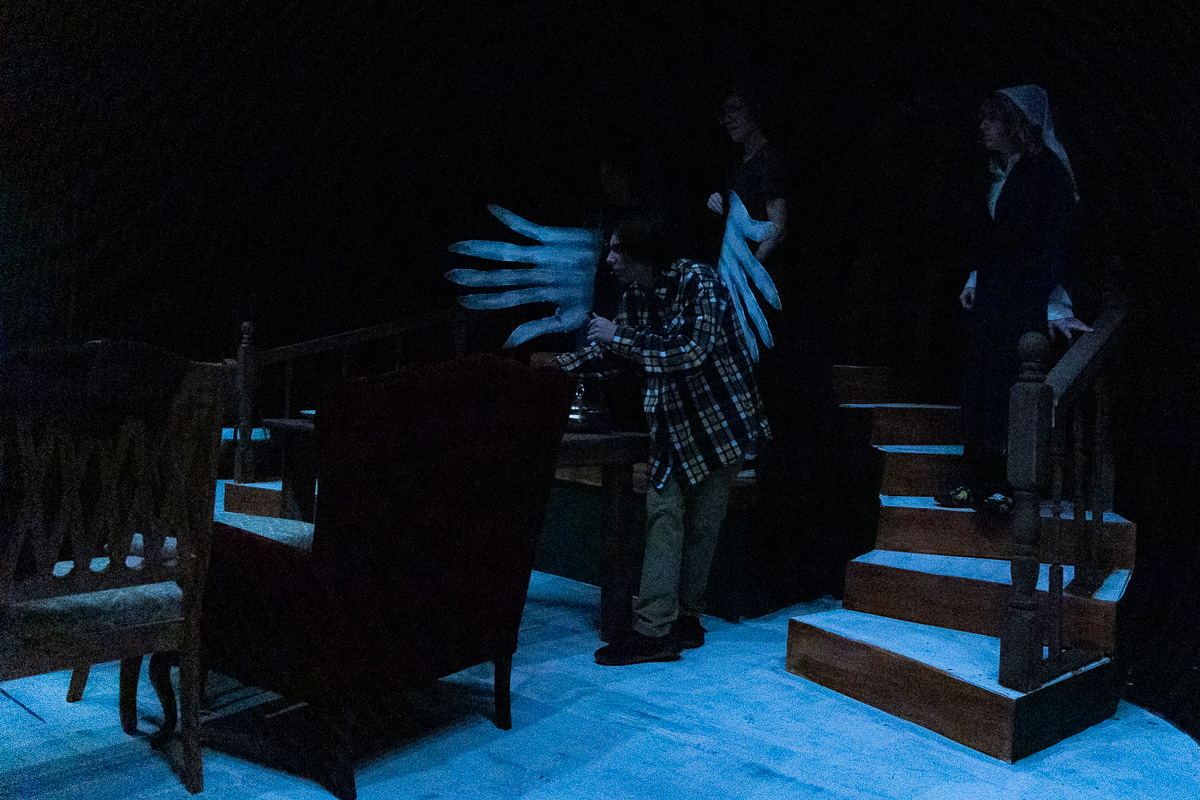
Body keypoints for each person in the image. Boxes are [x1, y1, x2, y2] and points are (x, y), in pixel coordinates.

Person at [554, 215, 771, 666]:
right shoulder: (635, 295)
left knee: (704, 526)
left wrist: (619, 337)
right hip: (673, 425)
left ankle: (687, 618)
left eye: (618, 249)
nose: (609, 259)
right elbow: (613, 351)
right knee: (664, 516)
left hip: (721, 421)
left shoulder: (699, 282)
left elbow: (691, 350)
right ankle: (655, 631)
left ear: (643, 253)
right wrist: (558, 367)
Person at [939, 85, 1092, 514]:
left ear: (1014, 124)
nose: (983, 127)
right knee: (983, 384)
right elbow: (992, 239)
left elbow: (1056, 244)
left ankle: (1007, 486)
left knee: (1011, 384)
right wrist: (975, 277)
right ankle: (976, 479)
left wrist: (1053, 304)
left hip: (1023, 296)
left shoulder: (1046, 173)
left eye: (991, 119)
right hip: (996, 295)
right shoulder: (1002, 172)